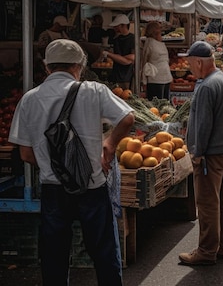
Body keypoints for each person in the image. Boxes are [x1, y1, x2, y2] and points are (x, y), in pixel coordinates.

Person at [9, 39, 135, 285]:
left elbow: (25, 154)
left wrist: (54, 167)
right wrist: (109, 145)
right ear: (79, 66)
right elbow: (128, 118)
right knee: (104, 253)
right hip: (92, 186)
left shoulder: (29, 99)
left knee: (54, 257)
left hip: (53, 190)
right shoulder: (93, 90)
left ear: (47, 67)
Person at [177, 41, 223, 266]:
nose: (188, 66)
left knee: (206, 203)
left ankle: (206, 250)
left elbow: (203, 124)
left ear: (198, 61)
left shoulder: (205, 86)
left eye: (189, 61)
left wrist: (197, 152)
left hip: (210, 154)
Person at [141, 21, 173, 100]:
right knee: (157, 104)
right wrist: (144, 80)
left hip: (166, 77)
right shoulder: (149, 43)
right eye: (159, 28)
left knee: (165, 103)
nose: (161, 31)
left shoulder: (161, 43)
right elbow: (144, 61)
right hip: (155, 78)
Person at [105, 14, 135, 90]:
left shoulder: (132, 38)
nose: (114, 28)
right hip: (116, 74)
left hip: (127, 76)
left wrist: (111, 55)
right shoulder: (116, 39)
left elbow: (132, 58)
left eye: (116, 26)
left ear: (123, 25)